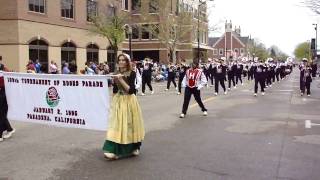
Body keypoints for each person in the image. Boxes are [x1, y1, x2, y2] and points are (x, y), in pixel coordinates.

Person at [102, 54, 145, 160]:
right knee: (116, 125)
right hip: (119, 100)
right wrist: (112, 100)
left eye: (123, 60)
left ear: (127, 62)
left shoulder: (132, 73)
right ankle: (112, 151)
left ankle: (135, 147)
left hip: (129, 100)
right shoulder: (116, 73)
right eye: (119, 60)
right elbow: (115, 90)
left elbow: (131, 91)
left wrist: (120, 79)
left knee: (130, 125)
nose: (121, 62)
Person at [0, 57, 15, 142]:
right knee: (1, 114)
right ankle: (9, 129)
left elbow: (9, 79)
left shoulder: (3, 69)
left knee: (1, 113)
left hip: (3, 93)